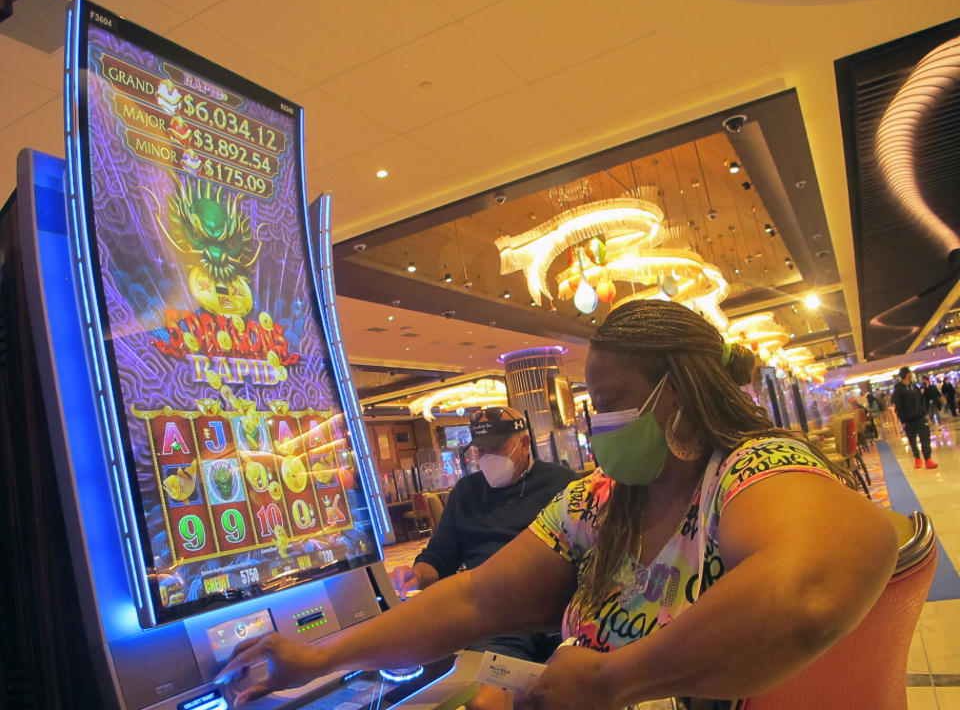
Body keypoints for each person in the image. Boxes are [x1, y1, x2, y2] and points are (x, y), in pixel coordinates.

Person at [218, 300, 898, 710]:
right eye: (591, 405)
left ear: (681, 395)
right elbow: (475, 600)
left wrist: (611, 681)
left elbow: (809, 587)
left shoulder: (750, 469)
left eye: (609, 404)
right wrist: (324, 656)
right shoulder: (599, 502)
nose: (597, 423)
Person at [391, 406, 575, 709]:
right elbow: (439, 556)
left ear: (524, 443)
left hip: (561, 618)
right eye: (481, 450)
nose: (488, 457)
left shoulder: (561, 482)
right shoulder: (466, 492)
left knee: (566, 696)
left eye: (498, 447)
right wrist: (416, 574)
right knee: (485, 702)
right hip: (497, 621)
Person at [892, 367, 937, 469]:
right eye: (910, 372)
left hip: (920, 417)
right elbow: (898, 406)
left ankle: (928, 459)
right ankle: (917, 458)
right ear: (906, 374)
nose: (911, 374)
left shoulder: (914, 387)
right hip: (908, 420)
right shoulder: (899, 390)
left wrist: (924, 413)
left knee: (925, 438)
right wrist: (902, 420)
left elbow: (921, 400)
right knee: (912, 440)